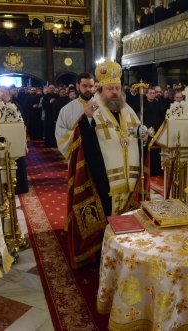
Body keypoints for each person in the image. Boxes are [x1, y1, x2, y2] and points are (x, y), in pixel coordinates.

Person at [65, 61, 146, 268]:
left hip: (129, 178)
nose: (114, 92)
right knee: (106, 220)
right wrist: (88, 121)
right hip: (105, 179)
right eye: (110, 88)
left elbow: (135, 133)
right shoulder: (93, 110)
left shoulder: (128, 110)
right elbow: (82, 142)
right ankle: (104, 255)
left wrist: (142, 134)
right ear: (100, 89)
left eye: (117, 88)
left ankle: (127, 252)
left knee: (129, 220)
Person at [55, 72, 94, 159]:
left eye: (91, 86)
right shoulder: (66, 110)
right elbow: (59, 131)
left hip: (99, 155)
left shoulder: (102, 107)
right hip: (77, 155)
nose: (88, 89)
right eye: (84, 86)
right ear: (78, 86)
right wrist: (79, 136)